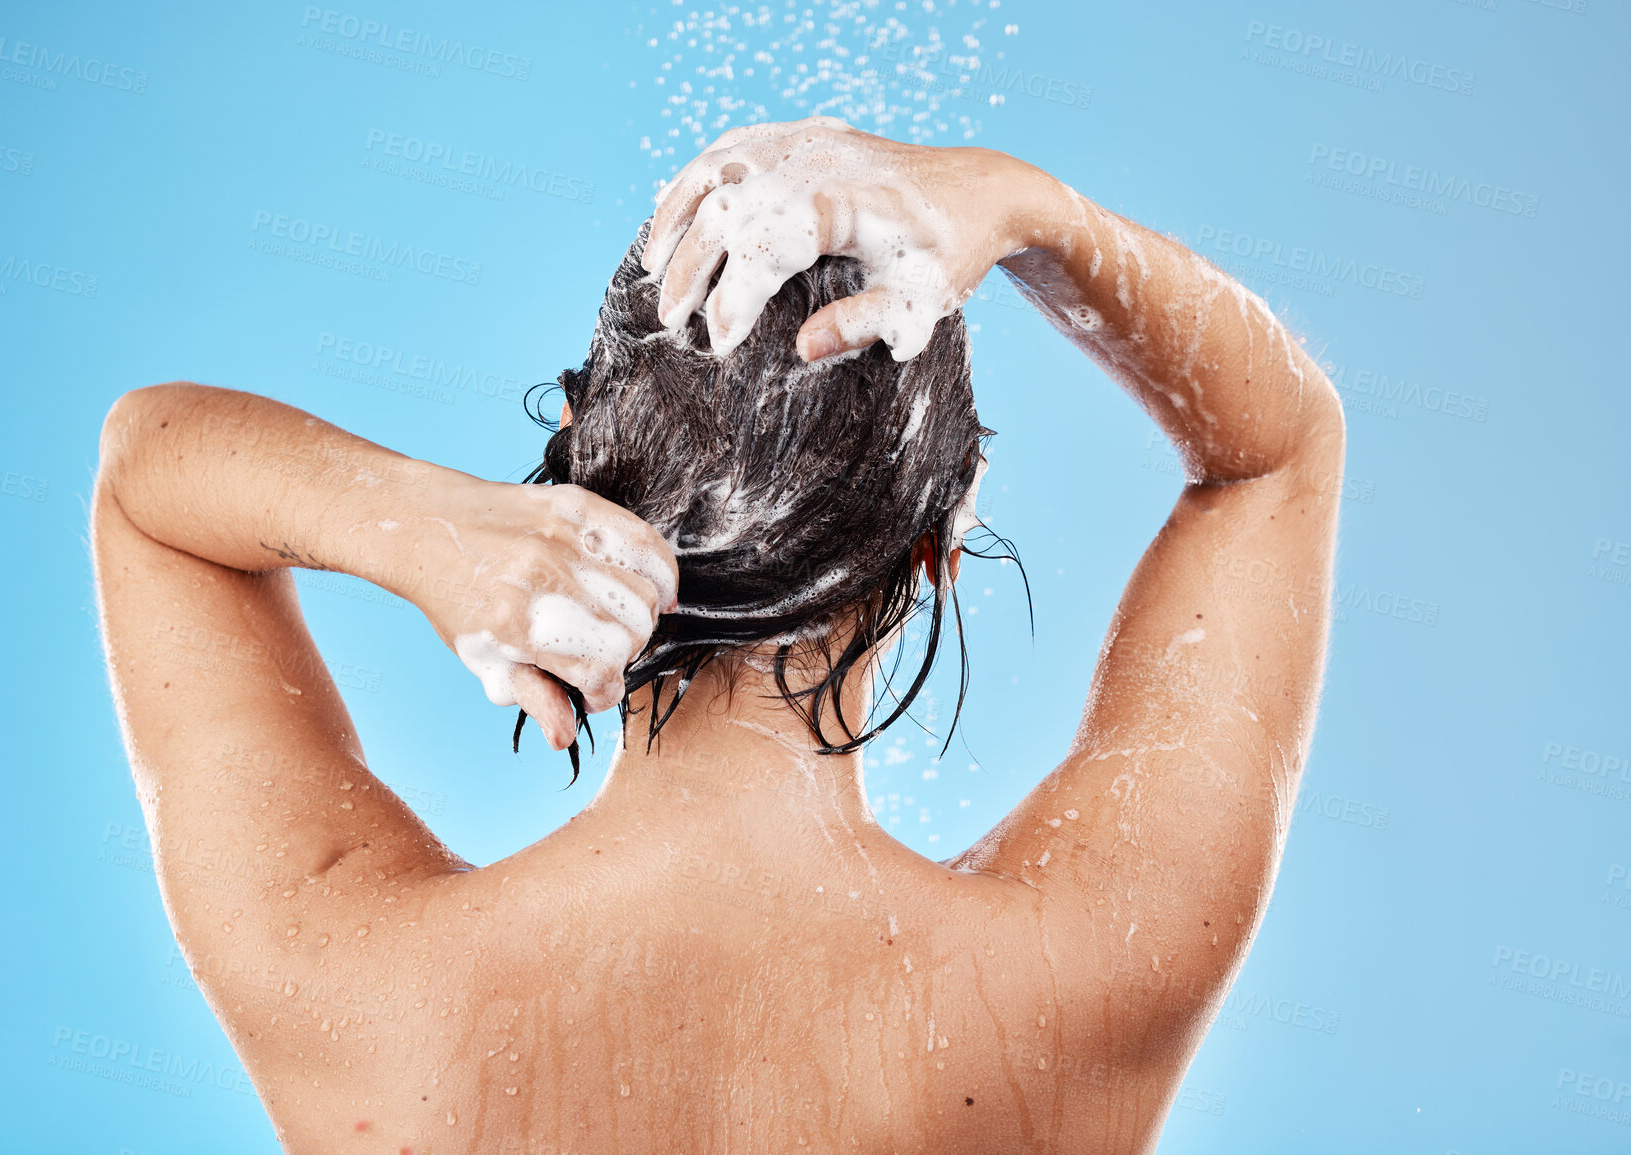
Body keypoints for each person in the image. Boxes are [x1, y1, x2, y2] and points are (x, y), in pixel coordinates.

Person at [93, 118, 1344, 1154]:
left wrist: (419, 522)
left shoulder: (352, 983)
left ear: (575, 464)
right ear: (942, 535)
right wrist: (1037, 215)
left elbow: (148, 475)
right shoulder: (1096, 969)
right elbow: (1274, 454)